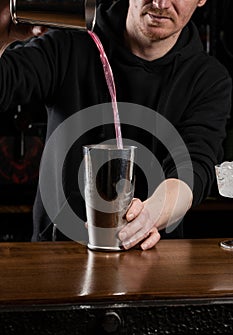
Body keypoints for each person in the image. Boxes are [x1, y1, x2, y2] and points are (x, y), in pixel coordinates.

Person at [0, 0, 232, 250]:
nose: (161, 3)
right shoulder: (70, 42)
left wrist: (146, 217)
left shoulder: (207, 79)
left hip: (151, 260)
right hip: (57, 255)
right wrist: (1, 37)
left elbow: (191, 169)